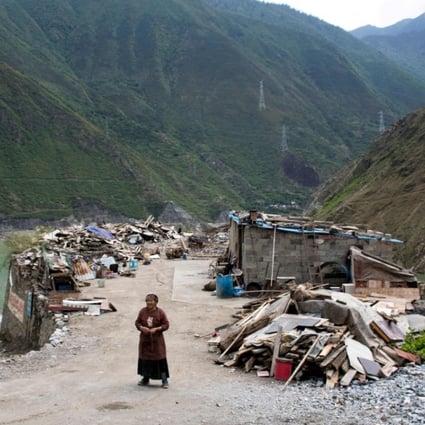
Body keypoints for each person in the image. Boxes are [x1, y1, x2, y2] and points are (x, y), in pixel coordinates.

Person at [135, 294, 170, 388]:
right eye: (147, 301)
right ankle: (145, 379)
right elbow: (137, 322)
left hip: (157, 341)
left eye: (151, 301)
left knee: (160, 360)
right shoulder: (142, 311)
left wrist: (157, 329)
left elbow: (166, 324)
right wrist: (141, 327)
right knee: (145, 360)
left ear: (156, 302)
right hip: (145, 341)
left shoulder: (160, 313)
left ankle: (164, 380)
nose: (149, 303)